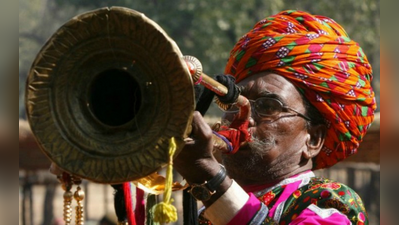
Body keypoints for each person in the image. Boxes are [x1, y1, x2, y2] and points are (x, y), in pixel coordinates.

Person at [173, 10, 375, 224]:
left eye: (268, 106)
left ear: (313, 139)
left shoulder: (329, 204)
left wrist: (210, 179)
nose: (245, 119)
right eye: (233, 103)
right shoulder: (206, 212)